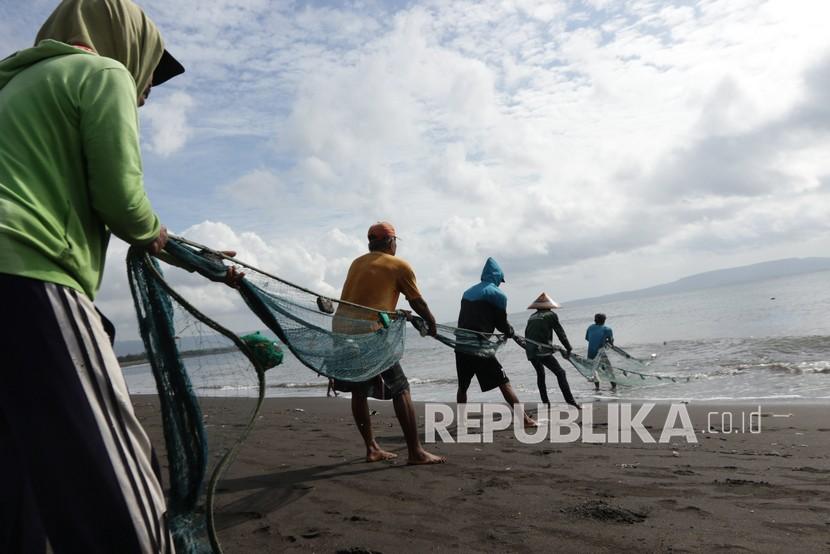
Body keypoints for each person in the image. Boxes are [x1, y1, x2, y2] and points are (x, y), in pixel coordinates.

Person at [0, 1, 184, 551]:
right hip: (29, 275)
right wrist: (155, 233)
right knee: (116, 482)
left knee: (20, 483)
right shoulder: (103, 72)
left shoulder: (13, 90)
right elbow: (122, 202)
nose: (149, 85)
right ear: (124, 40)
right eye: (152, 70)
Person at [332, 222, 444, 465]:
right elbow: (417, 302)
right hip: (369, 333)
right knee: (401, 389)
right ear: (391, 242)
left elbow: (369, 296)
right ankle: (415, 452)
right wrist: (431, 323)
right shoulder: (399, 265)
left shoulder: (357, 262)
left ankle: (372, 448)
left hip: (342, 331)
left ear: (370, 242)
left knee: (360, 391)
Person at [455, 258, 535, 426]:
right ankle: (525, 420)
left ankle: (462, 420)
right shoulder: (497, 294)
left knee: (463, 386)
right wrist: (511, 333)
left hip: (461, 345)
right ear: (497, 277)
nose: (500, 283)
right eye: (500, 280)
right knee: (504, 382)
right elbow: (501, 323)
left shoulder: (467, 292)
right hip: (479, 348)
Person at [522, 293, 579, 408]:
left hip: (530, 350)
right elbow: (560, 333)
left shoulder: (532, 316)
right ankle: (571, 401)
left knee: (540, 374)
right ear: (549, 306)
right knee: (560, 373)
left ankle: (546, 403)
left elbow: (528, 334)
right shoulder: (551, 315)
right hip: (541, 350)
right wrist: (568, 348)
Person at [585, 313, 615, 390]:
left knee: (594, 370)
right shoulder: (607, 329)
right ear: (604, 320)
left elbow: (588, 338)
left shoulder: (590, 327)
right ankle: (614, 387)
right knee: (608, 369)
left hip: (591, 353)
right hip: (600, 353)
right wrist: (607, 341)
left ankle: (597, 388)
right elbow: (611, 343)